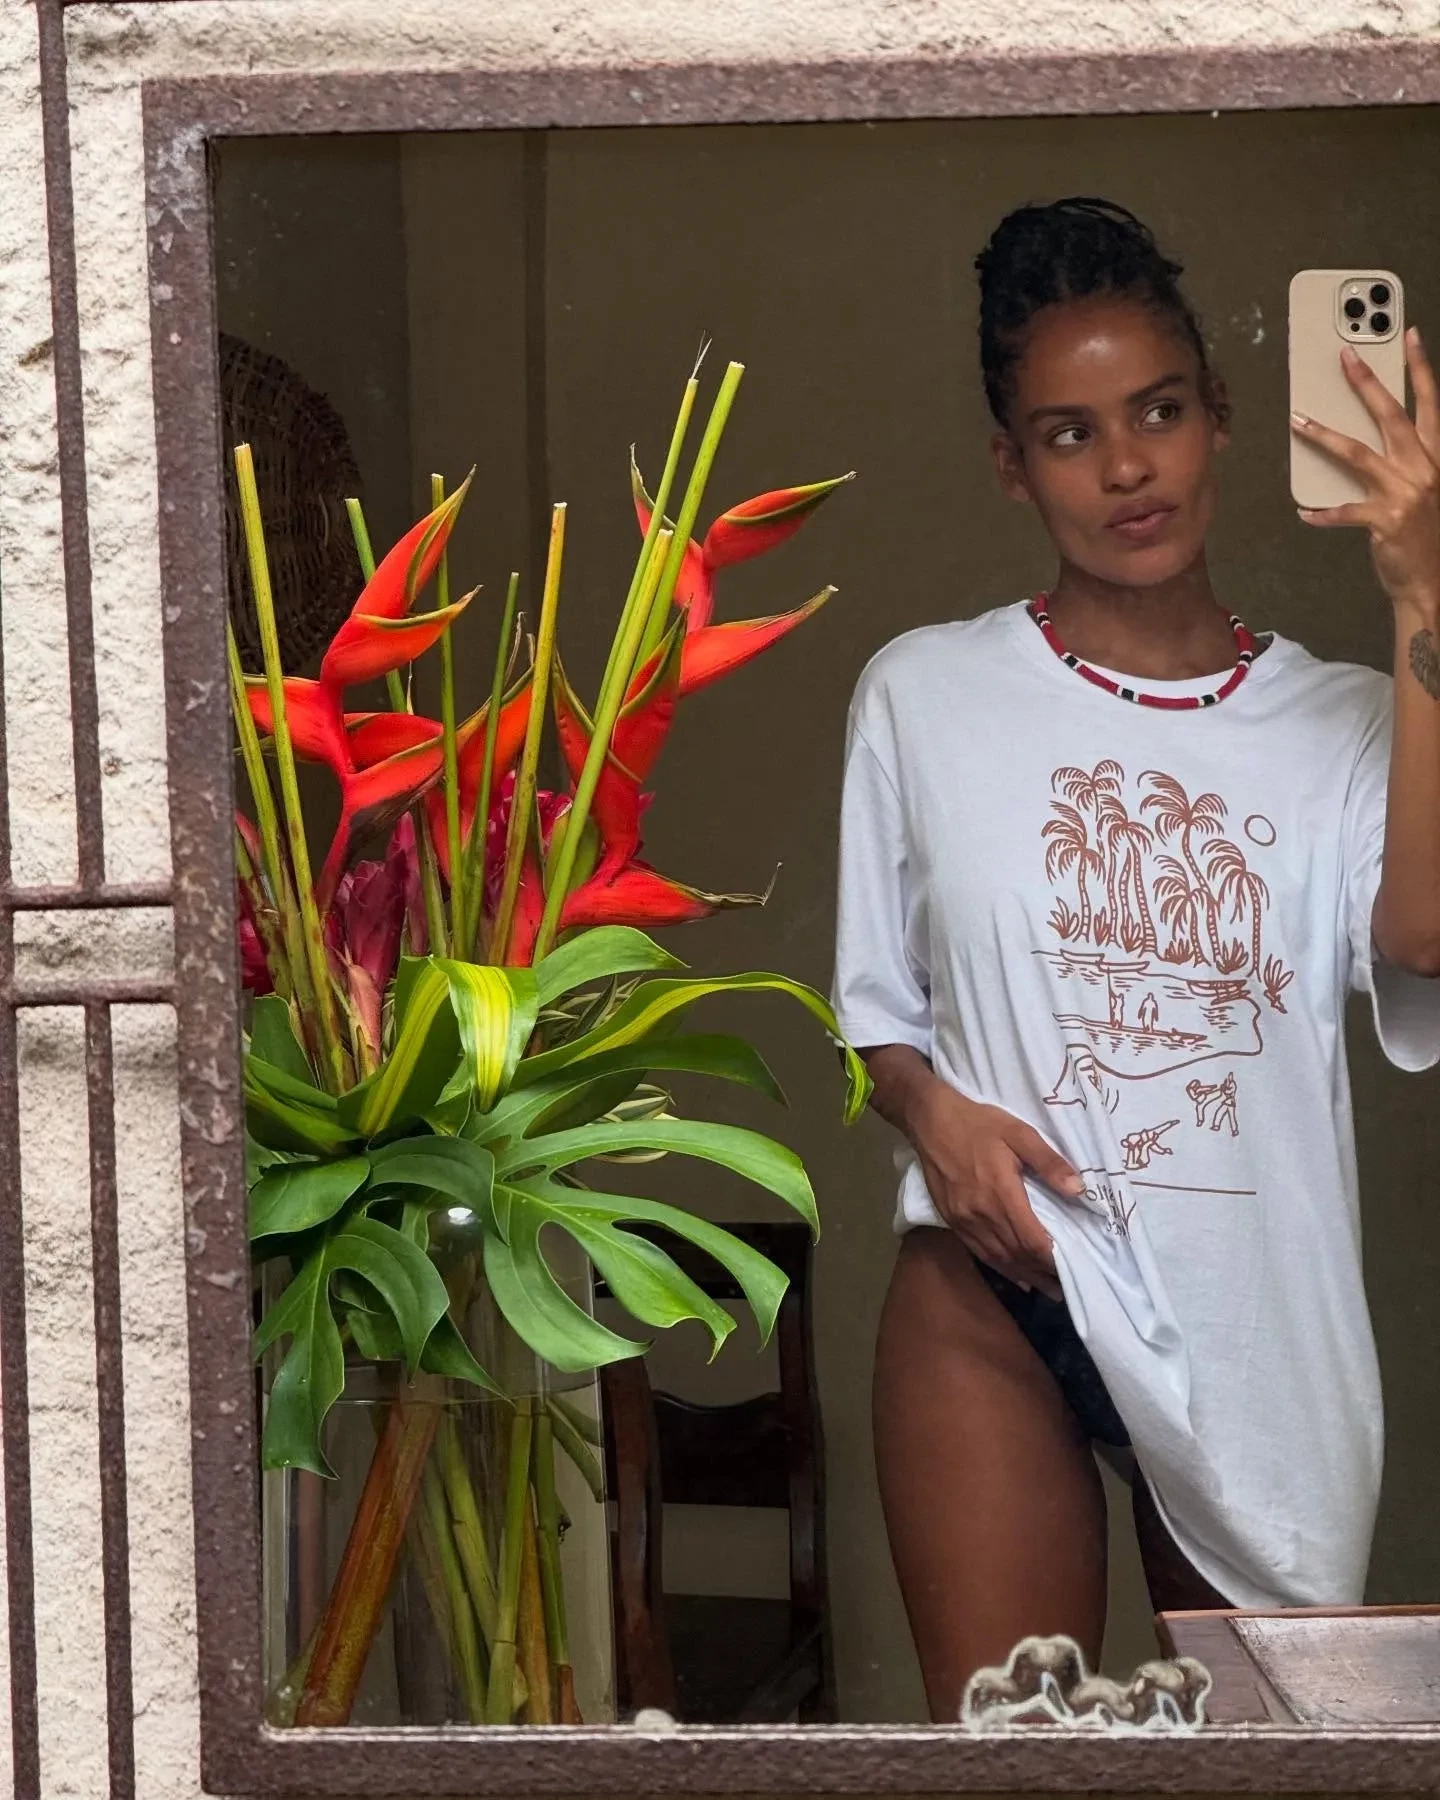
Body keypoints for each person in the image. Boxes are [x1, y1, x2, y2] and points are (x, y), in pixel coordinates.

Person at [830, 197, 1440, 1721]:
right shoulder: (922, 694)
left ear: (1220, 415)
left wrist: (1426, 592)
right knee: (1013, 1758)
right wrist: (933, 1116)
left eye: (1158, 412)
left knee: (1261, 1755)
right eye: (1069, 433)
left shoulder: (1351, 722)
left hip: (1254, 1328)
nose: (1124, 468)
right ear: (1011, 463)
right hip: (999, 1282)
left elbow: (1424, 934)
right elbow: (878, 1015)